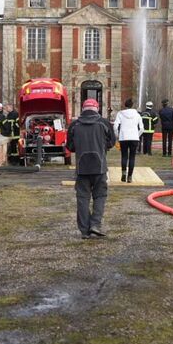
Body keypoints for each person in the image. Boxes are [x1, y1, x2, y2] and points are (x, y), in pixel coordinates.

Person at [65, 98, 116, 239]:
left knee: (82, 197)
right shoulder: (104, 123)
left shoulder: (75, 124)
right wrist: (100, 146)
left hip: (82, 167)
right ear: (97, 108)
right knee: (100, 196)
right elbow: (111, 142)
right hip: (99, 166)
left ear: (83, 109)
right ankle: (95, 225)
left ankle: (85, 230)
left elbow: (70, 147)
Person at [114, 97, 143, 182]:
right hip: (134, 138)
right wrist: (137, 135)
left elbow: (115, 126)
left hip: (123, 137)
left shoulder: (120, 114)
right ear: (132, 105)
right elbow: (142, 128)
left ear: (125, 105)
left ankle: (123, 173)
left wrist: (117, 135)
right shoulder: (137, 115)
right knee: (132, 157)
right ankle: (130, 176)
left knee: (124, 156)